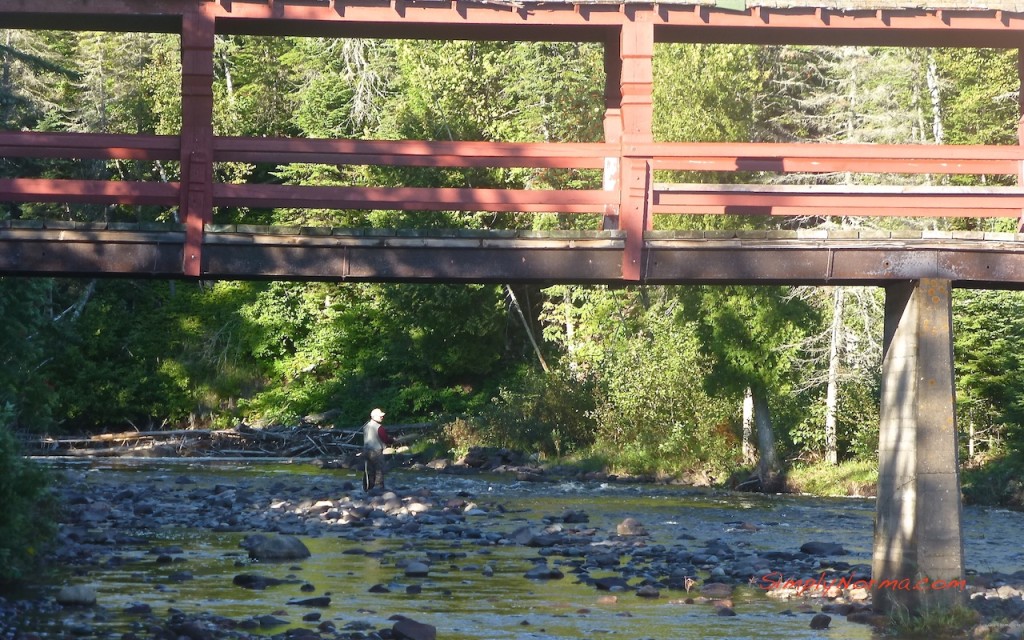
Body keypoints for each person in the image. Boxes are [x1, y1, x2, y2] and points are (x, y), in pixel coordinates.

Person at [361, 407, 396, 491]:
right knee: (379, 470)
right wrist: (393, 440)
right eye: (380, 416)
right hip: (376, 451)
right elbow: (385, 439)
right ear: (375, 417)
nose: (382, 417)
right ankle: (379, 489)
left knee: (369, 470)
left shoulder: (366, 426)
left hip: (366, 451)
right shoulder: (379, 428)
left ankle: (367, 488)